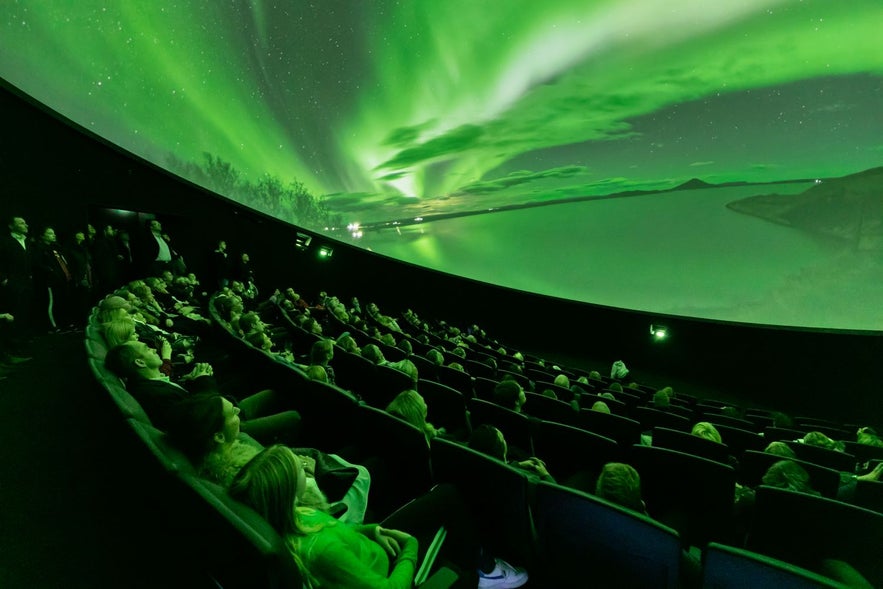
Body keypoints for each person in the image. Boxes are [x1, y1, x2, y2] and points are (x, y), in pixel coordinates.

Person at [229, 445, 529, 589]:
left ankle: (482, 563)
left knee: (445, 493)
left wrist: (371, 530)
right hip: (393, 571)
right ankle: (483, 573)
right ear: (286, 490)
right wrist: (410, 549)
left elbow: (335, 529)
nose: (304, 464)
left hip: (372, 549)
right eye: (298, 467)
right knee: (448, 506)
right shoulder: (322, 550)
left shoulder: (292, 513)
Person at [166, 394, 371, 524]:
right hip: (318, 519)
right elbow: (309, 511)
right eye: (232, 413)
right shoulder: (250, 476)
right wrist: (309, 474)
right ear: (218, 436)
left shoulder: (206, 462)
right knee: (363, 473)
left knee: (339, 459)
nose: (238, 411)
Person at [104, 340, 300, 444]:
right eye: (147, 349)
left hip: (224, 410)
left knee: (272, 394)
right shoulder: (152, 395)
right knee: (294, 417)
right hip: (224, 430)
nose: (154, 350)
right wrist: (204, 380)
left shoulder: (151, 383)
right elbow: (202, 420)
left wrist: (193, 381)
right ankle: (271, 450)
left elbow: (187, 403)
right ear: (139, 362)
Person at [468, 425, 554, 483]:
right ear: (501, 451)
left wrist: (517, 464)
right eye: (503, 439)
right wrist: (545, 475)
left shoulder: (474, 474)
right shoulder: (530, 480)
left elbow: (499, 468)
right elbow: (557, 497)